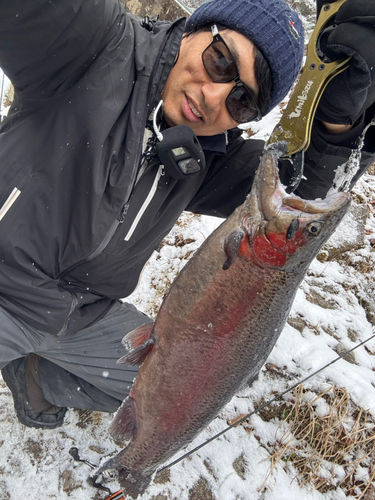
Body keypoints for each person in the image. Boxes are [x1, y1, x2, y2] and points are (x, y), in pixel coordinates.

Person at [0, 0, 374, 429]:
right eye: (220, 60)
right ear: (193, 29)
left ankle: (38, 378)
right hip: (7, 292)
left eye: (242, 101)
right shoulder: (95, 46)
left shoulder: (206, 156)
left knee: (175, 391)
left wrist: (336, 127)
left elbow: (297, 198)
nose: (214, 97)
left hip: (80, 313)